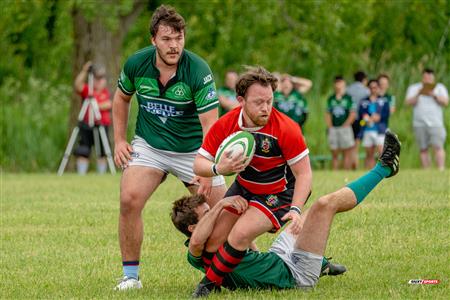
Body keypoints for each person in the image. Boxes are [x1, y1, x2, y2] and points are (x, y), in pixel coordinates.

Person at [171, 130, 401, 296]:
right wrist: (221, 205)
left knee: (306, 214)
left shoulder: (218, 235)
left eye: (211, 209)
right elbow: (197, 242)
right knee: (324, 205)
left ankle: (321, 264)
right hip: (295, 274)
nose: (213, 213)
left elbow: (246, 242)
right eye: (207, 212)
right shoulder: (197, 253)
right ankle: (384, 167)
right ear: (191, 228)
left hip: (278, 254)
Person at [112, 5, 227, 290]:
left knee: (226, 210)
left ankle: (255, 264)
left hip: (194, 150)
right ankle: (130, 278)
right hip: (150, 146)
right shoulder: (137, 64)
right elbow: (121, 99)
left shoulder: (197, 70)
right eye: (166, 38)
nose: (174, 45)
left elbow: (210, 125)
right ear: (153, 40)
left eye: (179, 38)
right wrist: (119, 140)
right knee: (129, 199)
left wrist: (207, 167)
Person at [191, 66, 313, 296]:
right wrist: (218, 168)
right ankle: (308, 264)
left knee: (239, 235)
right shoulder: (226, 125)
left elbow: (304, 174)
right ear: (240, 100)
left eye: (269, 100)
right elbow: (198, 164)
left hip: (279, 192)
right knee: (213, 242)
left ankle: (207, 286)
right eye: (258, 102)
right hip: (245, 187)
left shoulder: (287, 128)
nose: (266, 107)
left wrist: (296, 209)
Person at [405, 68, 448, 171]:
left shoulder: (440, 87)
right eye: (425, 77)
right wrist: (419, 93)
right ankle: (426, 170)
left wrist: (433, 94)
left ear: (433, 78)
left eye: (429, 78)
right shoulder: (414, 88)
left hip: (436, 123)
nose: (427, 79)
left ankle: (440, 169)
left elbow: (446, 102)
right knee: (423, 148)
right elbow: (408, 102)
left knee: (438, 146)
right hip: (419, 123)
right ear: (422, 77)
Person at [73, 61, 112, 175]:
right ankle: (81, 174)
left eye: (101, 78)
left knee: (103, 152)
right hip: (86, 124)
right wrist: (85, 71)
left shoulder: (107, 92)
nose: (99, 81)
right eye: (96, 78)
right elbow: (77, 85)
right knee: (83, 150)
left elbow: (110, 104)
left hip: (101, 124)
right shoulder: (88, 91)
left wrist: (95, 106)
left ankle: (101, 174)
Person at [325, 76, 356, 170]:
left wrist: (346, 124)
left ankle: (346, 171)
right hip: (334, 128)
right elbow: (328, 113)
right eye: (336, 83)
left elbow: (352, 113)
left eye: (340, 82)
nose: (338, 85)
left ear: (344, 84)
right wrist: (330, 126)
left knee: (346, 151)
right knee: (334, 151)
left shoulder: (348, 98)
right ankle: (335, 171)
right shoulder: (331, 98)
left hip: (345, 128)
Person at [358, 79, 390, 169]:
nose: (373, 89)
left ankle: (383, 171)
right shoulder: (364, 101)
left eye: (375, 87)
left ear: (378, 88)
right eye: (371, 87)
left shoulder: (383, 100)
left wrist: (378, 117)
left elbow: (386, 114)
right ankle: (369, 172)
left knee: (381, 152)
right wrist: (366, 117)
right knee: (369, 153)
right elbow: (361, 113)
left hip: (380, 129)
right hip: (368, 129)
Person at [347, 71, 370, 169]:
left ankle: (351, 165)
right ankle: (354, 165)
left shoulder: (348, 89)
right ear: (364, 79)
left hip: (349, 119)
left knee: (350, 144)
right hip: (360, 119)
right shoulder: (366, 91)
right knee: (356, 143)